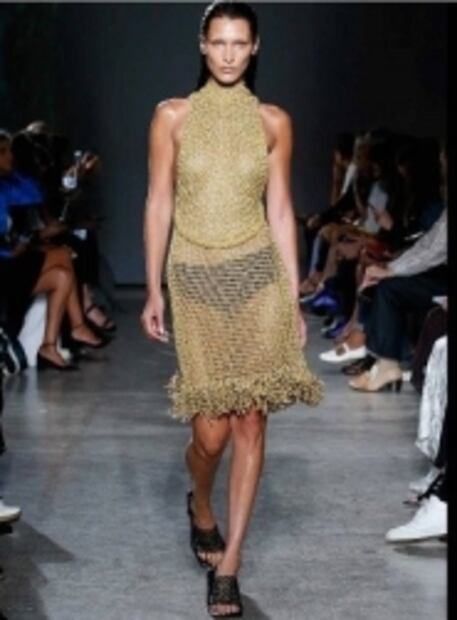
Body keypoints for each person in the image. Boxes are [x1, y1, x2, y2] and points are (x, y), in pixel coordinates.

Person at [140, 3, 323, 616]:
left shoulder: (273, 122)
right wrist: (152, 288)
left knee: (250, 421)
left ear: (255, 48)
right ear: (202, 44)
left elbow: (281, 210)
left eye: (238, 43)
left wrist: (292, 296)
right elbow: (159, 202)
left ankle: (231, 564)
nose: (227, 54)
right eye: (218, 42)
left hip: (257, 281)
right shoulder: (172, 116)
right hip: (194, 281)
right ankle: (200, 501)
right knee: (210, 432)